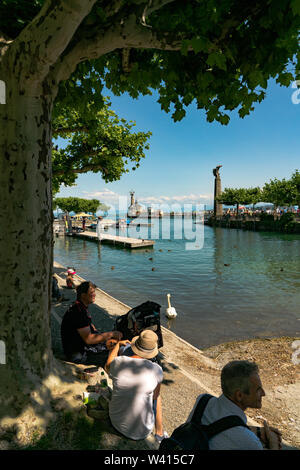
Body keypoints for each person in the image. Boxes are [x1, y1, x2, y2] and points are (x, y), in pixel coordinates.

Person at [186, 360, 282, 450]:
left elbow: (218, 426)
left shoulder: (203, 400)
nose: (263, 393)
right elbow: (233, 432)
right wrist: (273, 443)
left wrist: (257, 431)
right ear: (239, 395)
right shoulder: (251, 443)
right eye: (258, 390)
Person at [105, 330, 168, 442]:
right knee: (157, 397)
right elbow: (154, 397)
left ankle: (159, 432)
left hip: (116, 421)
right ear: (152, 351)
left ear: (135, 345)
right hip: (142, 432)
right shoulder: (157, 370)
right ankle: (159, 433)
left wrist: (118, 345)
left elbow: (107, 366)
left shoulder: (119, 362)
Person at [61, 281, 122, 367]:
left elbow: (87, 325)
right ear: (83, 295)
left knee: (111, 343)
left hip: (76, 348)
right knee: (115, 356)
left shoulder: (78, 306)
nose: (94, 295)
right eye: (92, 293)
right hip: (78, 355)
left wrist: (99, 333)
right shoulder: (79, 312)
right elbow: (89, 339)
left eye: (94, 292)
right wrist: (112, 334)